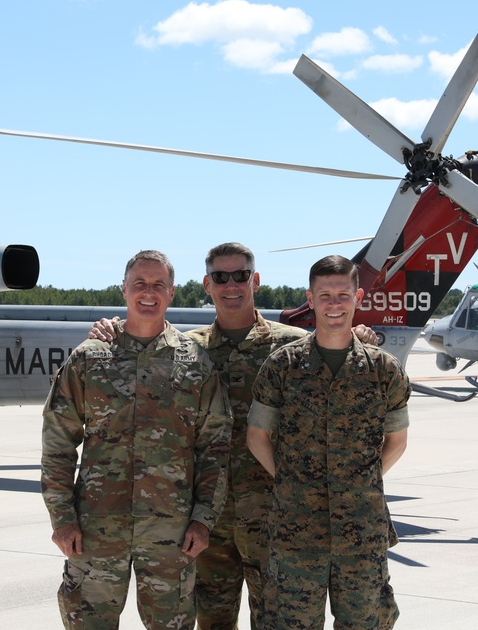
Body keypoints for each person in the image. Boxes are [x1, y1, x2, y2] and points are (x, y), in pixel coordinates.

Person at [89, 242, 377, 630]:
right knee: (213, 619)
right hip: (208, 520)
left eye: (240, 275)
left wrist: (359, 333)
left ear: (254, 280)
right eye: (221, 277)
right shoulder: (187, 348)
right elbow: (139, 347)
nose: (231, 285)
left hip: (275, 517)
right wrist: (110, 330)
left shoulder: (291, 345)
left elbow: (338, 345)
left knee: (276, 618)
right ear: (207, 285)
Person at [41, 249, 232, 630]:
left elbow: (215, 448)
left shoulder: (195, 362)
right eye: (140, 284)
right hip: (96, 530)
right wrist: (62, 519)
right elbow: (58, 445)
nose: (149, 292)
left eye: (158, 284)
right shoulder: (89, 359)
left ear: (172, 292)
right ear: (124, 289)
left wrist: (202, 521)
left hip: (171, 534)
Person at [247, 254, 410, 629]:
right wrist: (290, 480)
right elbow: (257, 437)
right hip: (295, 530)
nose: (334, 304)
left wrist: (359, 482)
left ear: (358, 297)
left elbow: (397, 442)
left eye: (342, 294)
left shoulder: (384, 370)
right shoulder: (282, 366)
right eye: (324, 295)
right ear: (311, 298)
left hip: (362, 532)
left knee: (365, 622)